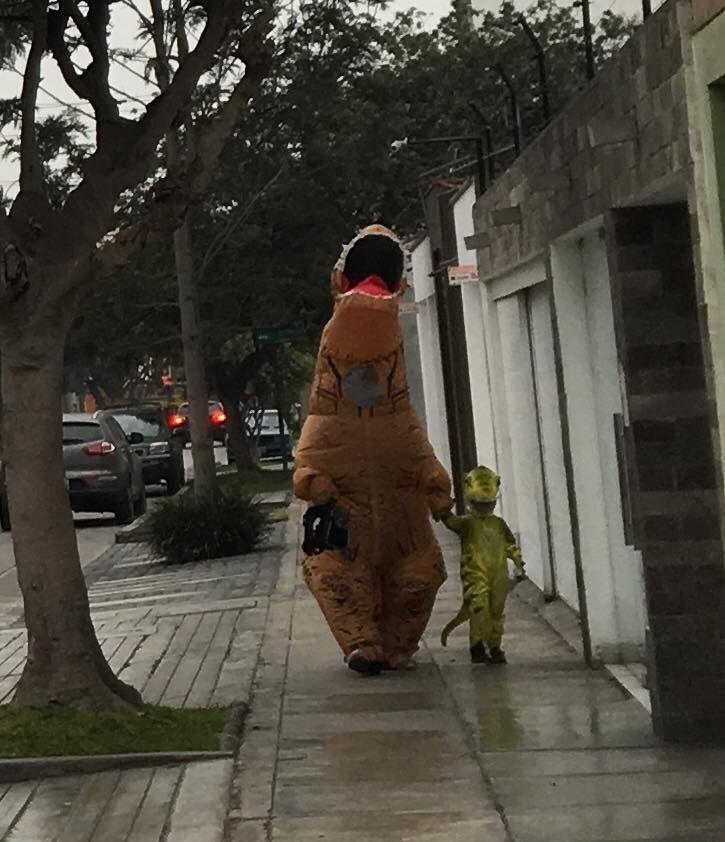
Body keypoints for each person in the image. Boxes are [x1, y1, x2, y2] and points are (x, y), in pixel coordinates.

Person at [293, 223, 453, 676]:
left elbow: (414, 445)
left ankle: (397, 643)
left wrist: (433, 479)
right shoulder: (328, 408)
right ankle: (362, 642)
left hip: (403, 520)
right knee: (332, 572)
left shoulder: (396, 408)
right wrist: (311, 480)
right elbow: (310, 456)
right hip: (348, 517)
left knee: (420, 576)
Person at [440, 466, 525, 664]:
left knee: (496, 610)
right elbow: (450, 521)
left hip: (498, 575)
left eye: (487, 504)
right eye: (479, 504)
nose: (484, 508)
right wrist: (442, 507)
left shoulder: (499, 523)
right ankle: (477, 645)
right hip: (475, 573)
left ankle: (494, 645)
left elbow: (510, 544)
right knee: (479, 607)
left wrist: (518, 561)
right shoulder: (468, 524)